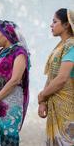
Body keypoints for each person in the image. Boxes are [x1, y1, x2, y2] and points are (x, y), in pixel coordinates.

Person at [0, 20, 30, 146]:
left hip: (10, 104)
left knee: (8, 137)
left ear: (6, 33)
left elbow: (15, 80)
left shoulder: (19, 52)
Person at [38, 8, 74, 145]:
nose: (51, 25)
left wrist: (42, 95)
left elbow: (62, 78)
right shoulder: (60, 47)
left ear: (66, 25)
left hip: (68, 107)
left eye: (54, 21)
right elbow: (52, 77)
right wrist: (43, 101)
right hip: (55, 104)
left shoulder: (71, 45)